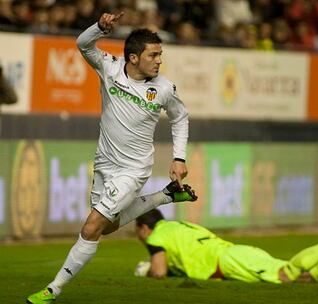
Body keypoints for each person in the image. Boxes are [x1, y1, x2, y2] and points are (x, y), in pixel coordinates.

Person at [27, 11, 197, 304]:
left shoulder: (164, 88)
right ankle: (165, 196)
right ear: (133, 58)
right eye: (153, 55)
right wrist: (99, 28)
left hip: (133, 170)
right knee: (109, 225)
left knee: (91, 227)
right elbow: (83, 44)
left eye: (160, 55)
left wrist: (179, 157)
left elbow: (180, 118)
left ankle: (53, 289)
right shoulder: (111, 69)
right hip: (104, 163)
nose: (159, 60)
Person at [134, 209, 318, 283]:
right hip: (235, 254)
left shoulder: (157, 236)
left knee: (287, 275)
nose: (139, 236)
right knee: (305, 277)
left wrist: (148, 271)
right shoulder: (178, 226)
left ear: (144, 228)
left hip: (229, 262)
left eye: (138, 231)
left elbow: (159, 271)